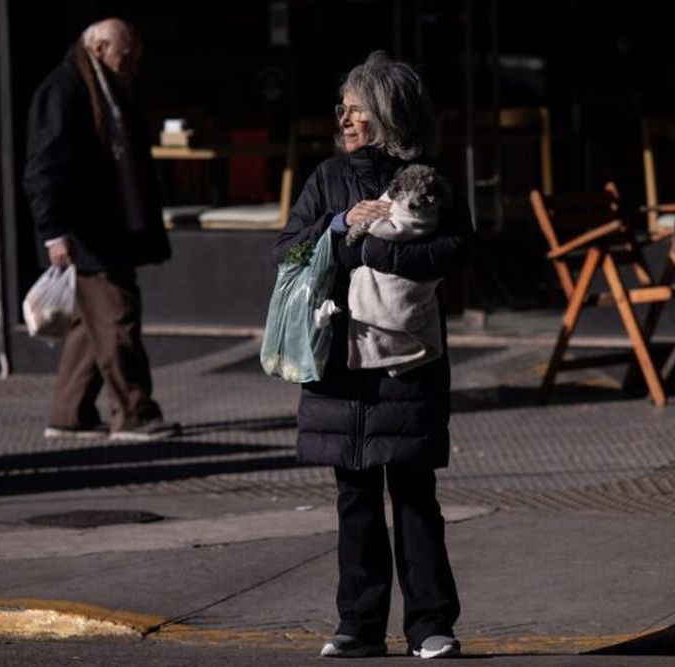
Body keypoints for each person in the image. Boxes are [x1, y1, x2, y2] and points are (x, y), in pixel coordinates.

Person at [274, 51, 473, 659]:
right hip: (339, 364)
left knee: (414, 494)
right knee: (354, 495)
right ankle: (358, 625)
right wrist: (338, 229)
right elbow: (288, 251)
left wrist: (374, 254)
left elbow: (457, 251)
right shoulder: (327, 179)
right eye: (344, 108)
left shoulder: (430, 178)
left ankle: (430, 625)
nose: (346, 118)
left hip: (407, 362)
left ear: (388, 115)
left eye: (357, 109)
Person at [23, 18, 180, 442]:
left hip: (101, 230)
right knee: (117, 318)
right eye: (125, 57)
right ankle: (133, 413)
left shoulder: (101, 88)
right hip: (87, 235)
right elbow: (42, 170)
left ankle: (68, 412)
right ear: (98, 49)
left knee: (91, 325)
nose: (131, 66)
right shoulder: (65, 90)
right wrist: (53, 233)